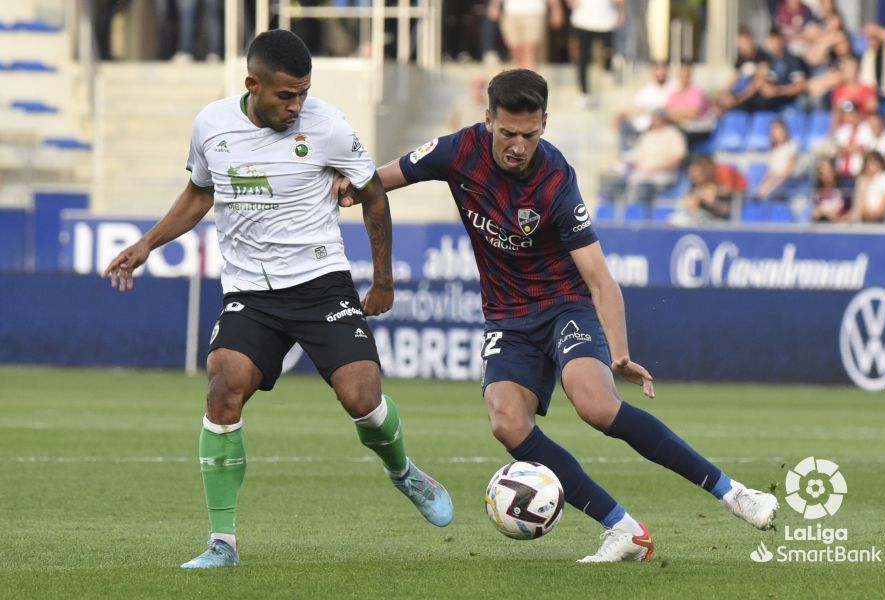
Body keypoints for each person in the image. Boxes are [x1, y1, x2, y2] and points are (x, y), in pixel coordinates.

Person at [336, 69, 778, 563]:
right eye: (507, 133)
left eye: (530, 134)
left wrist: (620, 353)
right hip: (506, 317)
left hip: (562, 306)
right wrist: (344, 187)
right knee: (506, 421)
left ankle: (734, 492)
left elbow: (599, 279)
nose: (518, 146)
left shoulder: (555, 179)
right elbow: (376, 181)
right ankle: (624, 530)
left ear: (544, 123)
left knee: (596, 405)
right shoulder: (456, 151)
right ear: (488, 120)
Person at [101, 30, 453, 569]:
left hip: (321, 284)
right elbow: (200, 192)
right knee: (223, 388)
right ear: (253, 84)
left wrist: (382, 281)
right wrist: (147, 243)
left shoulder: (329, 127)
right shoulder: (212, 126)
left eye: (303, 94)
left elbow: (373, 196)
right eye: (286, 95)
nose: (297, 106)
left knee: (362, 398)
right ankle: (223, 543)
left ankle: (403, 471)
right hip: (250, 292)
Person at [566, 0, 624, 108]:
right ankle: (583, 93)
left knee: (608, 50)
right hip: (583, 20)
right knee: (583, 57)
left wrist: (620, 11)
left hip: (606, 20)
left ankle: (607, 70)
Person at [615, 60, 676, 153]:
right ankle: (625, 156)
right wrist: (619, 116)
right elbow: (635, 107)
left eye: (662, 69)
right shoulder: (646, 90)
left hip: (659, 124)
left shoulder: (674, 87)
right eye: (657, 69)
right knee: (623, 125)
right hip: (642, 124)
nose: (660, 72)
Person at [488, 0, 565, 71]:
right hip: (510, 12)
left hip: (535, 11)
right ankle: (516, 81)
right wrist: (495, 5)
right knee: (515, 52)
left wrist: (556, 9)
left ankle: (529, 83)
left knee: (530, 50)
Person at [670, 154, 747, 224]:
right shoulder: (699, 183)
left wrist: (711, 195)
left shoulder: (723, 172)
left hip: (725, 213)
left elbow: (729, 191)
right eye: (692, 176)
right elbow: (690, 202)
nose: (695, 177)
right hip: (703, 217)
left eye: (698, 172)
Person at [755, 119, 798, 200]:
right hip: (773, 180)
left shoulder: (791, 146)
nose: (775, 133)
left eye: (778, 130)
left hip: (784, 183)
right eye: (773, 130)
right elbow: (769, 172)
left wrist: (772, 185)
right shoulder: (774, 150)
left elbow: (787, 173)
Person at [852, 150, 885, 223]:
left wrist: (874, 215)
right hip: (863, 222)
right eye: (869, 161)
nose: (871, 164)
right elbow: (859, 205)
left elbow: (883, 207)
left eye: (874, 161)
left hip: (882, 222)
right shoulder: (861, 179)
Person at [810, 158, 851, 222]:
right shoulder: (816, 191)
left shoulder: (843, 190)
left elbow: (847, 214)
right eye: (821, 171)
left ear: (834, 171)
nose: (824, 173)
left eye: (827, 170)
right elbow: (814, 213)